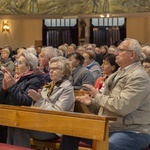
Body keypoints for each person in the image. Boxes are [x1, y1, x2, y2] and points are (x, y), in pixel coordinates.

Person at [59, 38, 150, 150]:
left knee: (106, 147)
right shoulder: (117, 73)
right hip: (109, 127)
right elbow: (105, 107)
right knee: (73, 131)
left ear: (132, 54)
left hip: (132, 131)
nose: (116, 53)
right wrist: (91, 103)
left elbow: (121, 106)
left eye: (121, 50)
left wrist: (97, 97)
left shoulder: (139, 77)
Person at [6, 56, 75, 148]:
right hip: (40, 121)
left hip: (54, 127)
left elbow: (58, 112)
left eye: (55, 69)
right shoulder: (48, 85)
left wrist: (39, 100)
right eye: (50, 68)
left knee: (21, 127)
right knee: (13, 123)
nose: (50, 71)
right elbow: (36, 105)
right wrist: (35, 101)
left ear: (64, 72)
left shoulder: (67, 89)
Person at [0, 50, 44, 143]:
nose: (16, 64)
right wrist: (3, 89)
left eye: (19, 63)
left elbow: (26, 101)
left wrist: (12, 86)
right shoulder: (14, 77)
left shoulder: (34, 81)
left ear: (28, 67)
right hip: (7, 116)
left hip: (20, 119)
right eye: (16, 62)